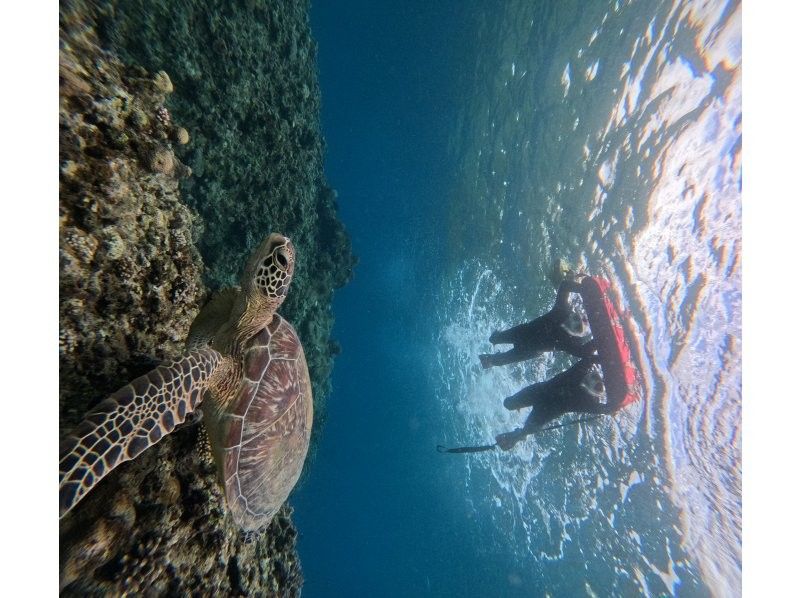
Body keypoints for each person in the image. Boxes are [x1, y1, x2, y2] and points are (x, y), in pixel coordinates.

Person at [493, 357, 612, 451]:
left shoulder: (585, 401)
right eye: (593, 377)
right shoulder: (579, 372)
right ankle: (519, 429)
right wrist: (605, 359)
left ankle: (517, 435)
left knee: (524, 431)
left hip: (544, 413)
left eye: (594, 383)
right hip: (539, 392)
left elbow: (603, 409)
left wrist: (611, 408)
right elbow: (590, 359)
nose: (587, 380)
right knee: (508, 403)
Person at [478, 279, 595, 369]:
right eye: (575, 318)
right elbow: (564, 285)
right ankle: (489, 346)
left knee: (495, 361)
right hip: (524, 333)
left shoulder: (569, 342)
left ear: (577, 335)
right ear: (573, 314)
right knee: (493, 339)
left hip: (529, 351)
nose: (572, 323)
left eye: (577, 327)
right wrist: (583, 289)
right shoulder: (562, 311)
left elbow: (582, 352)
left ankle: (481, 364)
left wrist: (598, 341)